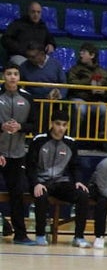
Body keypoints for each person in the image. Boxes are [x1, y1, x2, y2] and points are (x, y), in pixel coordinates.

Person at [28, 108, 91, 247]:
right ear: (52, 123)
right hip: (41, 182)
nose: (61, 128)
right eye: (58, 124)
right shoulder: (39, 140)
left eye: (64, 125)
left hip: (60, 182)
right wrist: (35, 183)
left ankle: (79, 237)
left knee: (83, 195)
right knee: (41, 195)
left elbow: (75, 166)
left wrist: (79, 181)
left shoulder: (71, 143)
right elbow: (30, 166)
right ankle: (40, 235)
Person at [0, 62, 35, 244]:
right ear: (3, 75)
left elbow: (35, 125)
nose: (12, 77)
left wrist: (21, 127)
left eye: (15, 74)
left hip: (17, 154)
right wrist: (1, 127)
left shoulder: (28, 98)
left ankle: (20, 234)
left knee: (17, 194)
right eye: (9, 73)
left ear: (19, 77)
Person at [65, 42, 107, 137]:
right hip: (78, 98)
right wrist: (89, 83)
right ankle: (73, 137)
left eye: (84, 52)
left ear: (92, 55)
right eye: (80, 52)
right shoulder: (75, 69)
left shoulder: (102, 71)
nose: (80, 54)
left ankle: (102, 138)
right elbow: (71, 83)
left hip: (95, 100)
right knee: (81, 110)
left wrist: (104, 92)